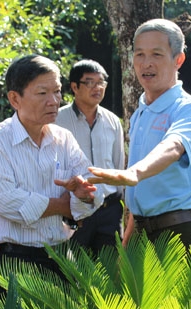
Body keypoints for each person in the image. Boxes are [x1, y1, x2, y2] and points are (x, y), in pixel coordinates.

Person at [0, 54, 104, 295]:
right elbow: (6, 201)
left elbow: (93, 192)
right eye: (42, 93)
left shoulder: (63, 138)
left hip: (62, 260)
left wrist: (83, 196)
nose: (54, 101)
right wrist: (64, 206)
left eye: (57, 92)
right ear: (15, 99)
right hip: (16, 264)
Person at [88, 18, 191, 249]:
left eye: (156, 54)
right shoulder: (140, 112)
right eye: (140, 54)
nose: (146, 64)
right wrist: (127, 243)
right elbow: (142, 194)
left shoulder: (189, 109)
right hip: (140, 234)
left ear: (179, 59)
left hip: (179, 236)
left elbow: (173, 146)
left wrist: (135, 172)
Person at [55, 59, 125, 254]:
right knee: (75, 272)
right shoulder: (57, 121)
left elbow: (118, 165)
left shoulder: (112, 121)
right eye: (90, 82)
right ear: (75, 87)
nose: (97, 88)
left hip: (109, 210)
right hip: (74, 211)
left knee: (109, 272)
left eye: (101, 82)